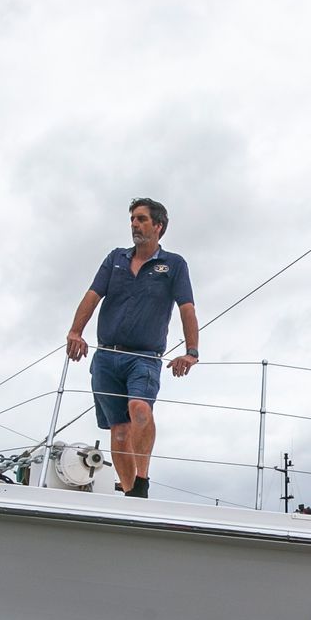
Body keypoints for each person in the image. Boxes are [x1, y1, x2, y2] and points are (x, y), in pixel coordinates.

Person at [65, 197, 199, 497]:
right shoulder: (116, 258)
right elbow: (92, 295)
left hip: (144, 357)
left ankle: (142, 479)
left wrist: (191, 352)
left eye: (141, 219)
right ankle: (131, 495)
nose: (134, 225)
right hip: (106, 356)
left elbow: (186, 307)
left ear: (158, 226)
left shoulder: (174, 264)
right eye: (132, 220)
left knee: (139, 409)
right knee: (120, 431)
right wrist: (75, 332)